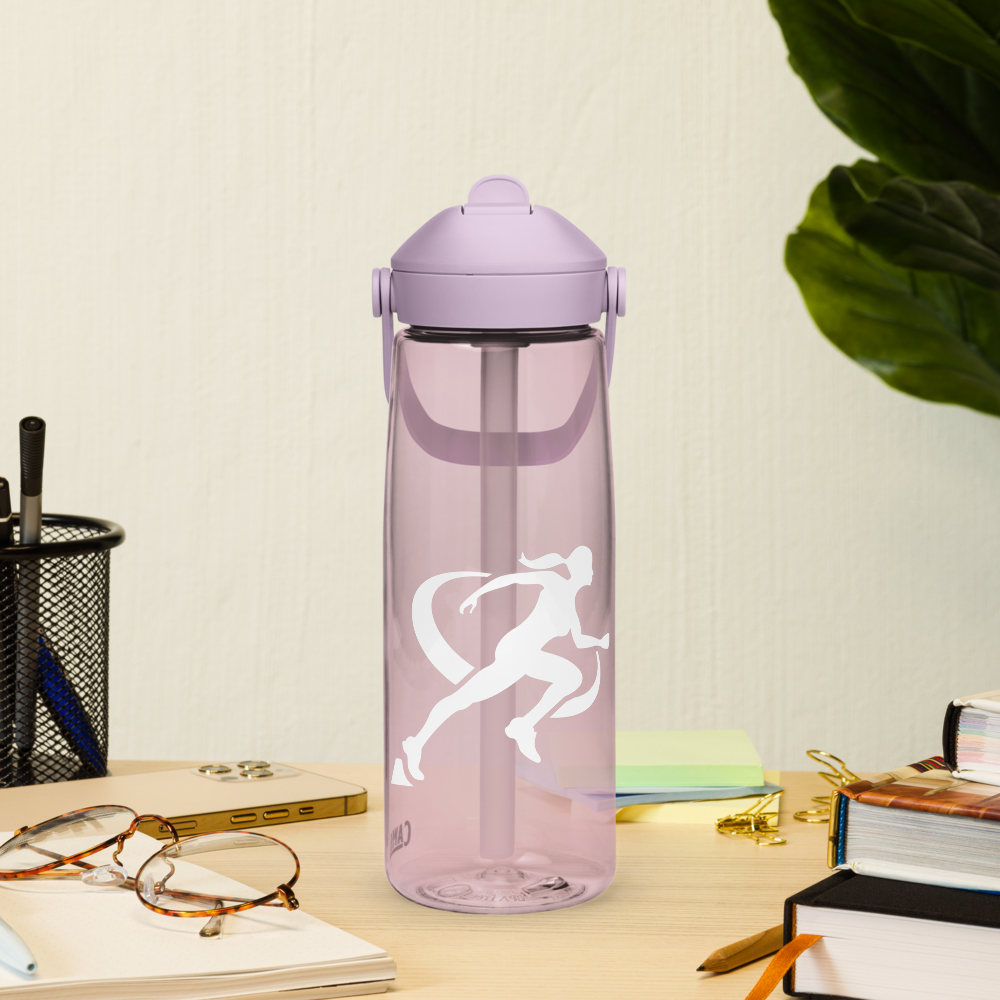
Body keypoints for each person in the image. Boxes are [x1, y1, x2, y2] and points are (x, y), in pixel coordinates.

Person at [402, 545, 608, 780]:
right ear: (580, 569)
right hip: (517, 649)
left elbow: (579, 640)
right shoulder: (553, 580)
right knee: (464, 698)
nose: (593, 573)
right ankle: (417, 743)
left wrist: (600, 642)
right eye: (590, 568)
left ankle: (523, 725)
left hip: (530, 655)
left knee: (570, 677)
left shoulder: (571, 606)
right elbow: (510, 579)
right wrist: (475, 595)